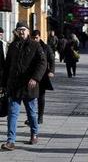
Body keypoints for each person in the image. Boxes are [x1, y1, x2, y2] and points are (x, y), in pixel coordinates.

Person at [1, 22, 47, 151]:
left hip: (29, 86)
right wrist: (4, 84)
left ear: (28, 31)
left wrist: (35, 78)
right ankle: (11, 141)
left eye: (23, 30)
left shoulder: (35, 45)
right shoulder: (12, 46)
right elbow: (7, 66)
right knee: (12, 113)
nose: (21, 32)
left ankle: (34, 133)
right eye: (19, 30)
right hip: (14, 86)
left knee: (31, 112)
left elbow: (42, 63)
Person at [24, 30, 55, 125]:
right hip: (29, 75)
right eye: (33, 38)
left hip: (42, 75)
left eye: (36, 38)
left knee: (41, 96)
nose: (34, 39)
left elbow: (52, 60)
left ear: (39, 37)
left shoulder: (45, 47)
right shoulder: (28, 46)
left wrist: (51, 71)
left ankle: (40, 116)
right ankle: (31, 117)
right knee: (30, 97)